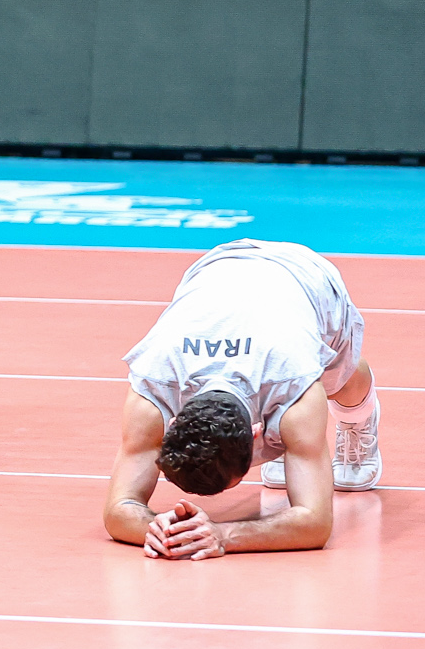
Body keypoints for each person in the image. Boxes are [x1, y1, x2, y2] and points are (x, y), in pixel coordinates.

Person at [103, 239, 385, 560]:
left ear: (256, 434)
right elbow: (117, 510)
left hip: (306, 278)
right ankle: (290, 440)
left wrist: (224, 534)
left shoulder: (296, 378)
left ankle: (357, 421)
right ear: (173, 424)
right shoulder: (155, 381)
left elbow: (316, 524)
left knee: (340, 382)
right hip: (218, 267)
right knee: (296, 425)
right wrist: (156, 529)